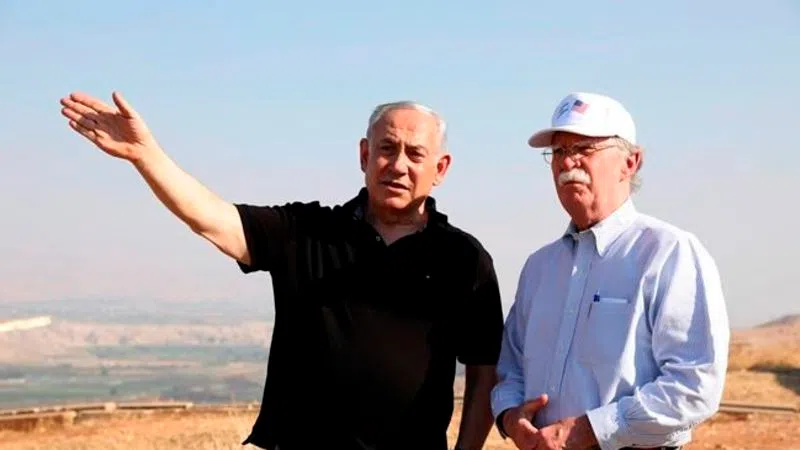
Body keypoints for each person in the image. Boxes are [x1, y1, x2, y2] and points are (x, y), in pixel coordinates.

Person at [59, 92, 505, 450]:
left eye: (415, 153)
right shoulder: (306, 232)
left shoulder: (464, 260)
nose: (399, 165)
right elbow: (212, 219)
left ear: (440, 169)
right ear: (364, 154)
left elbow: (484, 370)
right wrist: (146, 156)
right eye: (386, 148)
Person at [490, 92, 730, 450]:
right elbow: (510, 369)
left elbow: (694, 386)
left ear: (630, 162)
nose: (567, 161)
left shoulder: (668, 253)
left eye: (584, 148)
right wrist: (512, 418)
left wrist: (589, 430)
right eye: (558, 151)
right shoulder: (540, 268)